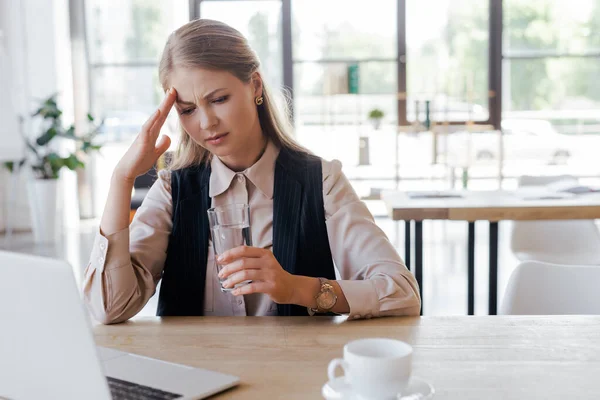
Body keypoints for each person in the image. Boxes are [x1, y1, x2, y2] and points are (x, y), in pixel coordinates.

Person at [83, 19, 420, 324]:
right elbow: (108, 308)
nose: (206, 123)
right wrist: (121, 179)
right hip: (196, 379)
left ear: (255, 86)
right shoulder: (173, 191)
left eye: (219, 99)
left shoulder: (322, 182)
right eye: (187, 109)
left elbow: (402, 293)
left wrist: (296, 289)